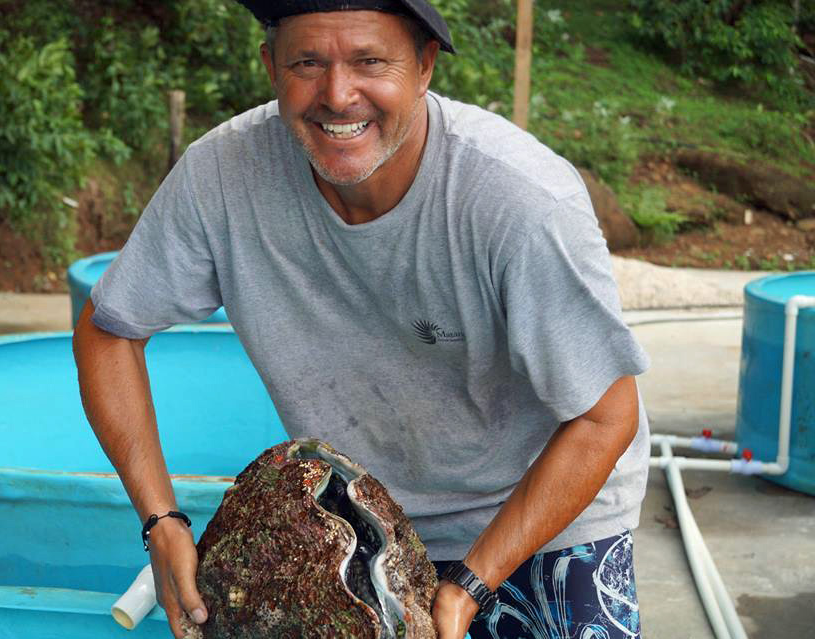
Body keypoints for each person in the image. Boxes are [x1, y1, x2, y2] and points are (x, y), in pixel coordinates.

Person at [72, 1, 651, 638]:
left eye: (370, 61)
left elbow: (605, 416)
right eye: (307, 63)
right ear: (270, 67)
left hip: (544, 524)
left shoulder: (519, 202)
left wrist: (470, 587)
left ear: (425, 65)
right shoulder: (222, 179)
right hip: (351, 525)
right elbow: (108, 329)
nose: (338, 95)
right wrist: (160, 520)